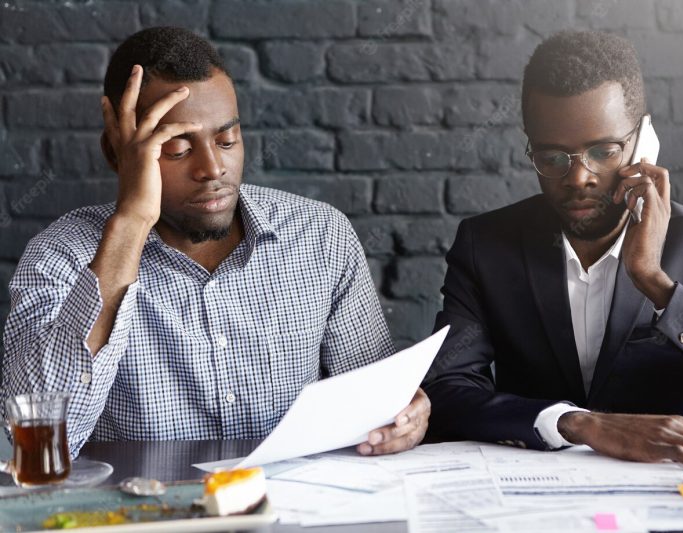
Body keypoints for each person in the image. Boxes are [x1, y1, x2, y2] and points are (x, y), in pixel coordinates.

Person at [2, 27, 429, 458]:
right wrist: (131, 224)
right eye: (178, 149)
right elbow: (36, 447)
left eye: (227, 140)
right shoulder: (61, 257)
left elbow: (372, 406)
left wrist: (401, 417)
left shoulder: (321, 237)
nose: (213, 168)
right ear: (118, 154)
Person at [422, 30, 683, 465]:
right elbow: (445, 392)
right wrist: (579, 423)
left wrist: (658, 285)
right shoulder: (486, 245)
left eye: (603, 151)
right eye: (552, 158)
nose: (579, 178)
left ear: (643, 142)